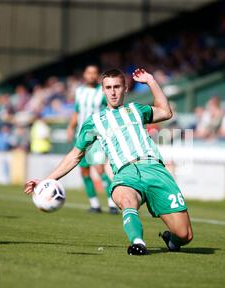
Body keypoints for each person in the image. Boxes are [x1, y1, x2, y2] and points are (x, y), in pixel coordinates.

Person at [25, 68, 193, 255]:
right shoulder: (94, 122)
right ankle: (138, 242)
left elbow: (165, 112)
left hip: (154, 169)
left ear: (125, 88)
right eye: (108, 87)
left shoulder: (136, 110)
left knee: (185, 235)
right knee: (127, 200)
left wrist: (151, 81)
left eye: (117, 87)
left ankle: (172, 239)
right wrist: (47, 180)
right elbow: (75, 155)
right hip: (126, 173)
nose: (113, 92)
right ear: (103, 91)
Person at [66, 65, 118, 214]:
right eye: (89, 72)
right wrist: (70, 127)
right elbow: (77, 111)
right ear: (84, 74)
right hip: (80, 136)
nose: (91, 75)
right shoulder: (80, 91)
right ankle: (94, 204)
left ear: (98, 76)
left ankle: (112, 203)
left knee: (100, 169)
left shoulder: (102, 92)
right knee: (84, 171)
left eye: (94, 73)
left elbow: (110, 111)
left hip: (96, 136)